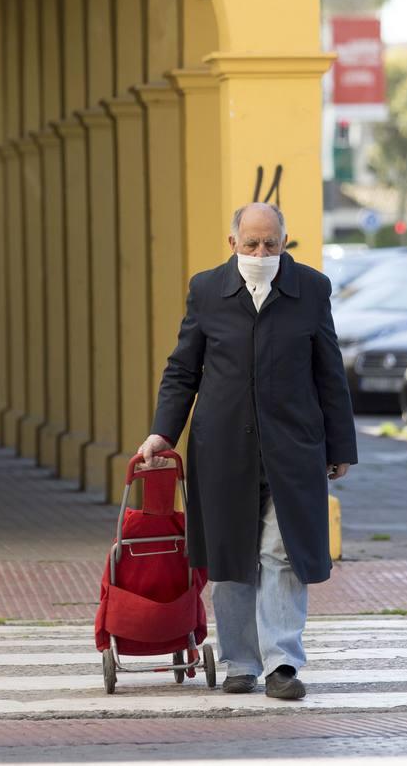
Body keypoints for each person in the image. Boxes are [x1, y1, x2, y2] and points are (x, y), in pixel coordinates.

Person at [138, 202, 358, 701]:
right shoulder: (207, 290)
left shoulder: (311, 289)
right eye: (252, 243)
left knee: (281, 552)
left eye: (271, 244)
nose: (262, 253)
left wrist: (341, 444)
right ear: (232, 242)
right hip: (222, 448)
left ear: (285, 243)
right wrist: (161, 434)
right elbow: (182, 371)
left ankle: (282, 663)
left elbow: (329, 370)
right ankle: (240, 661)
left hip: (294, 447)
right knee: (231, 556)